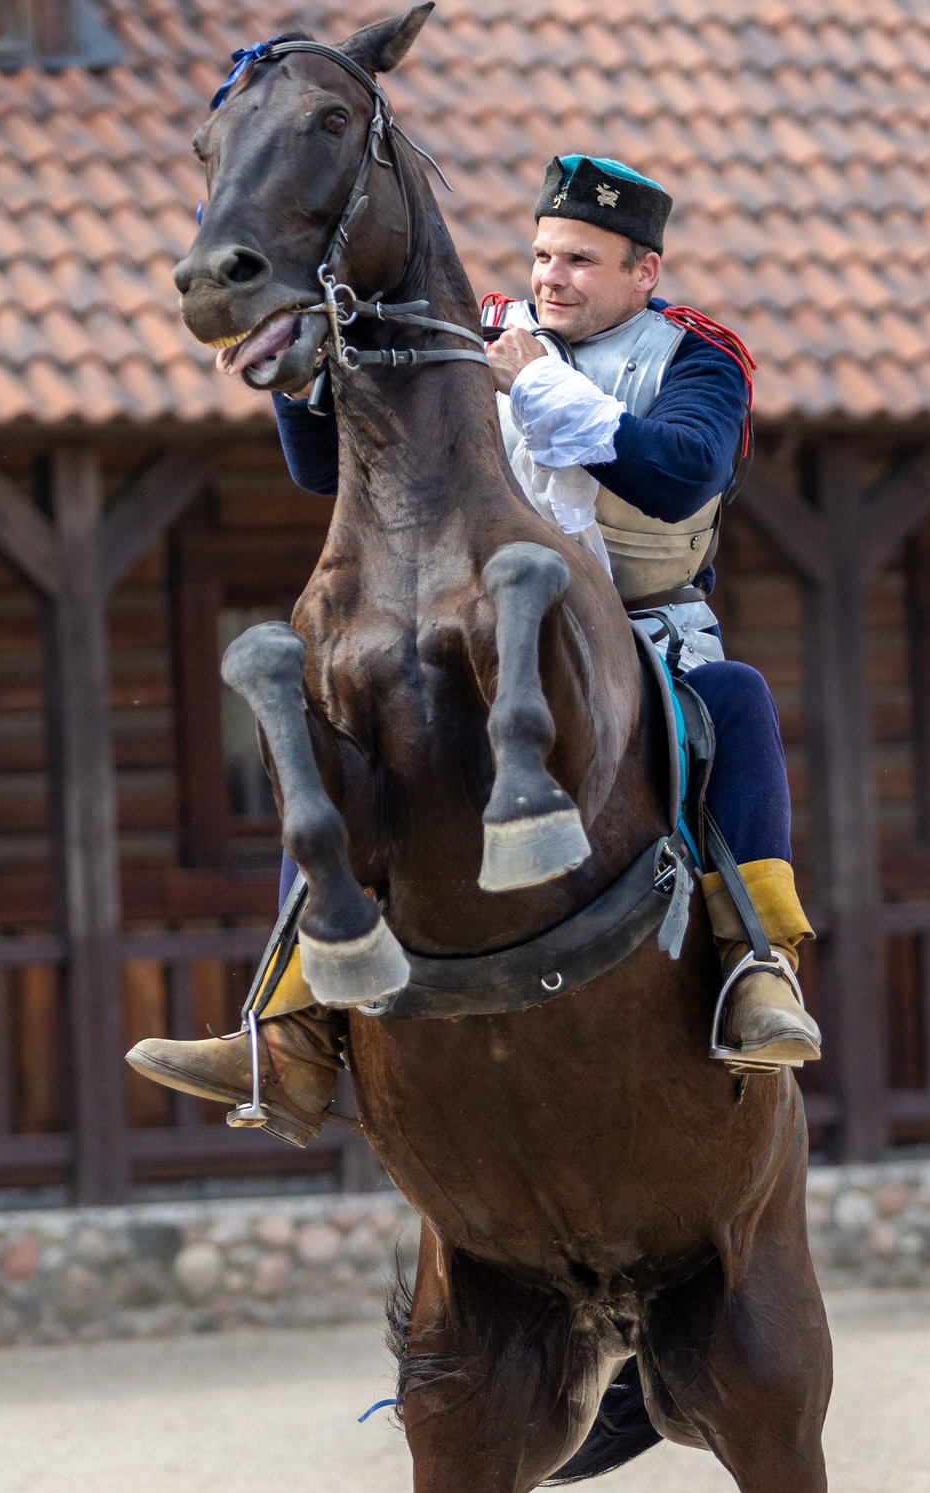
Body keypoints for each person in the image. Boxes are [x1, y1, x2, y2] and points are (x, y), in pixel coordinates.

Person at [128, 153, 817, 1140]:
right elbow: (321, 467)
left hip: (639, 635)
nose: (551, 277)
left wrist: (534, 389)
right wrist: (289, 375)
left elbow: (678, 475)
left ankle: (758, 966)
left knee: (740, 699)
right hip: (466, 642)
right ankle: (284, 1034)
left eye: (580, 259)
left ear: (643, 274)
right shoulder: (474, 338)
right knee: (333, 735)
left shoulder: (696, 359)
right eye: (542, 254)